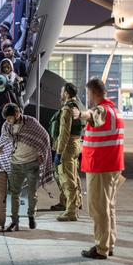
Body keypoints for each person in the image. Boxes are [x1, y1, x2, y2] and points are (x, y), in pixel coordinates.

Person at [76, 78, 125, 260]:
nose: (87, 97)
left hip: (100, 166)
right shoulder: (116, 111)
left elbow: (93, 114)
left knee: (98, 207)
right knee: (109, 207)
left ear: (93, 93)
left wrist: (80, 114)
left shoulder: (102, 109)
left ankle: (101, 247)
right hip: (113, 166)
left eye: (88, 94)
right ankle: (109, 243)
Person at [0, 103, 53, 231]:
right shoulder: (7, 126)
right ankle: (14, 221)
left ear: (17, 114)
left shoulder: (31, 122)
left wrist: (42, 154)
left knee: (32, 193)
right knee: (13, 193)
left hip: (32, 164)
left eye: (10, 118)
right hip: (15, 164)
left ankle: (31, 216)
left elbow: (44, 137)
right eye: (6, 119)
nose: (8, 121)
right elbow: (1, 143)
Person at [52, 83, 85, 222]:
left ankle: (71, 210)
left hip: (67, 146)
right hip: (77, 143)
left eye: (61, 91)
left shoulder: (67, 108)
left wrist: (59, 153)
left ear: (66, 92)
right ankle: (68, 202)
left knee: (67, 177)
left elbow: (64, 133)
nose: (60, 94)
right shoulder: (78, 106)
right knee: (73, 175)